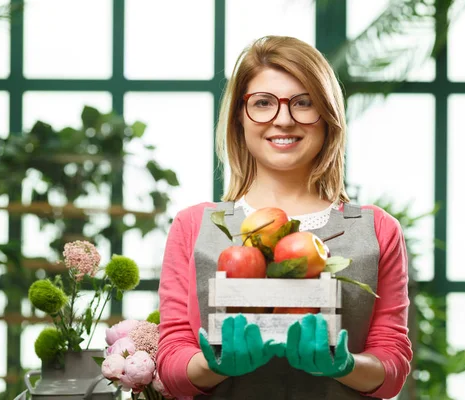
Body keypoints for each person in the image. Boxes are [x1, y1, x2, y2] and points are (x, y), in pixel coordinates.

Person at [156, 35, 412, 399]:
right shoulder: (194, 226)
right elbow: (171, 363)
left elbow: (392, 366)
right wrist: (211, 366)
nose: (284, 120)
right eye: (262, 103)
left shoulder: (377, 230)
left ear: (327, 117)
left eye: (303, 103)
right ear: (239, 119)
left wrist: (347, 366)